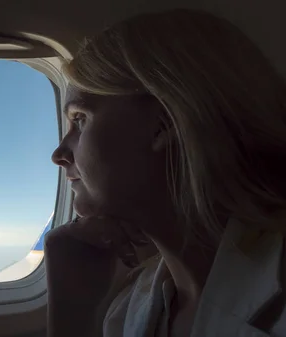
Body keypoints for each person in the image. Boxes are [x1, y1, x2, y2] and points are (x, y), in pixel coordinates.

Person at [45, 8, 286, 337]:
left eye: (81, 119)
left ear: (164, 123)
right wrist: (72, 313)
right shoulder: (130, 307)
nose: (59, 155)